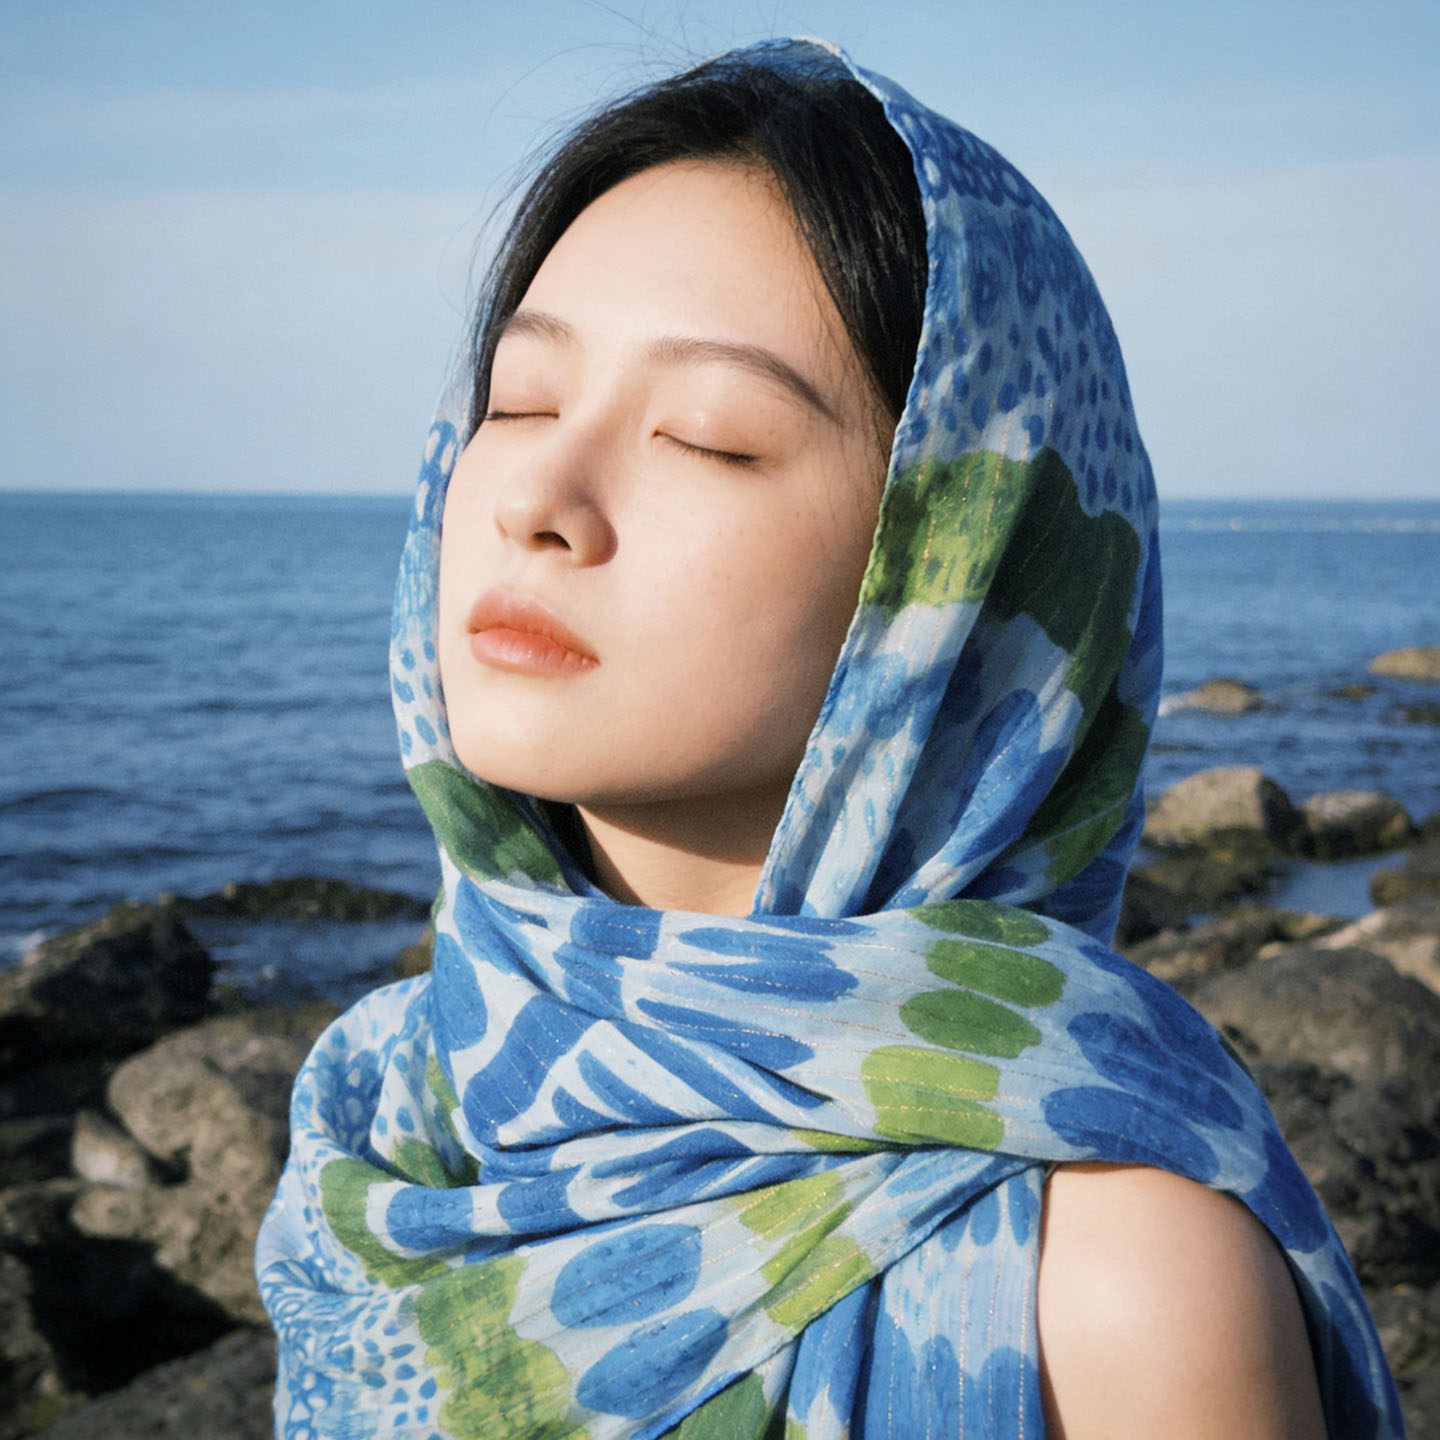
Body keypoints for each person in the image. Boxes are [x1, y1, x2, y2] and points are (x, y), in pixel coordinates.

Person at [256, 38, 1402, 1439]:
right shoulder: (385, 1113)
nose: (539, 495)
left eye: (711, 438)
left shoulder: (1111, 1283)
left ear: (965, 578)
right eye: (517, 402)